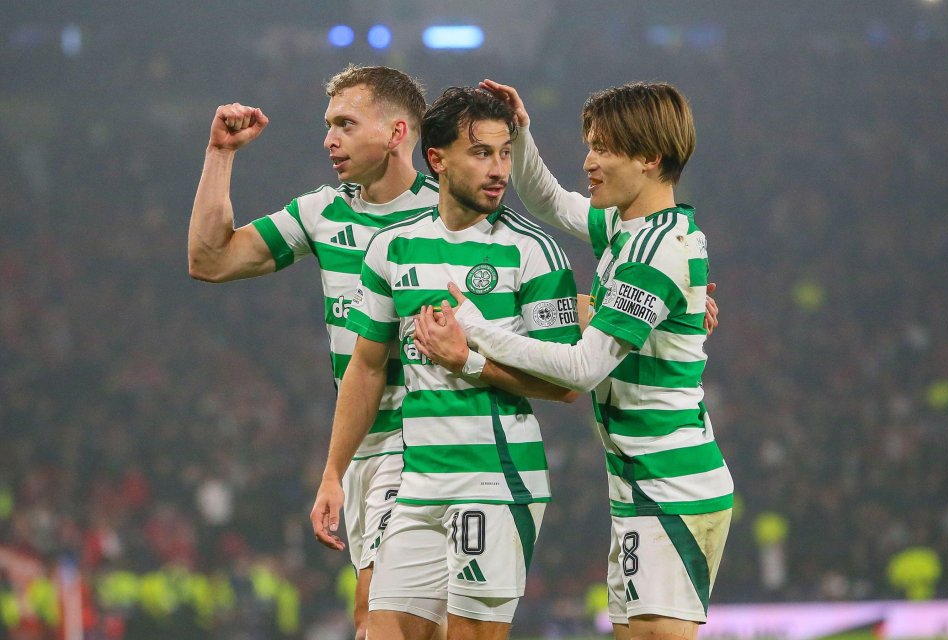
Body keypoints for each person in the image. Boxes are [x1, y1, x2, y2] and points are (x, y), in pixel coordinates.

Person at [414, 81, 733, 640]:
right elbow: (548, 200)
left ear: (649, 157)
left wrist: (476, 332)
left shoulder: (656, 251)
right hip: (639, 484)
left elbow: (583, 369)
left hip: (674, 486)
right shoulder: (628, 227)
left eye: (603, 148)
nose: (588, 161)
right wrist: (522, 131)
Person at [310, 87, 581, 640]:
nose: (499, 168)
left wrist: (471, 362)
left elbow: (567, 382)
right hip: (419, 482)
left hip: (496, 482)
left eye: (505, 153)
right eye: (482, 153)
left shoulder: (534, 252)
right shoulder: (393, 248)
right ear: (438, 159)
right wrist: (333, 472)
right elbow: (364, 367)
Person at [187, 64, 439, 640]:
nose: (329, 139)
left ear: (397, 133)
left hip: (429, 435)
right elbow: (210, 259)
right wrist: (220, 155)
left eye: (346, 125)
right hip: (362, 445)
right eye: (329, 126)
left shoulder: (450, 212)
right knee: (407, 621)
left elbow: (529, 286)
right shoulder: (323, 213)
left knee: (380, 617)